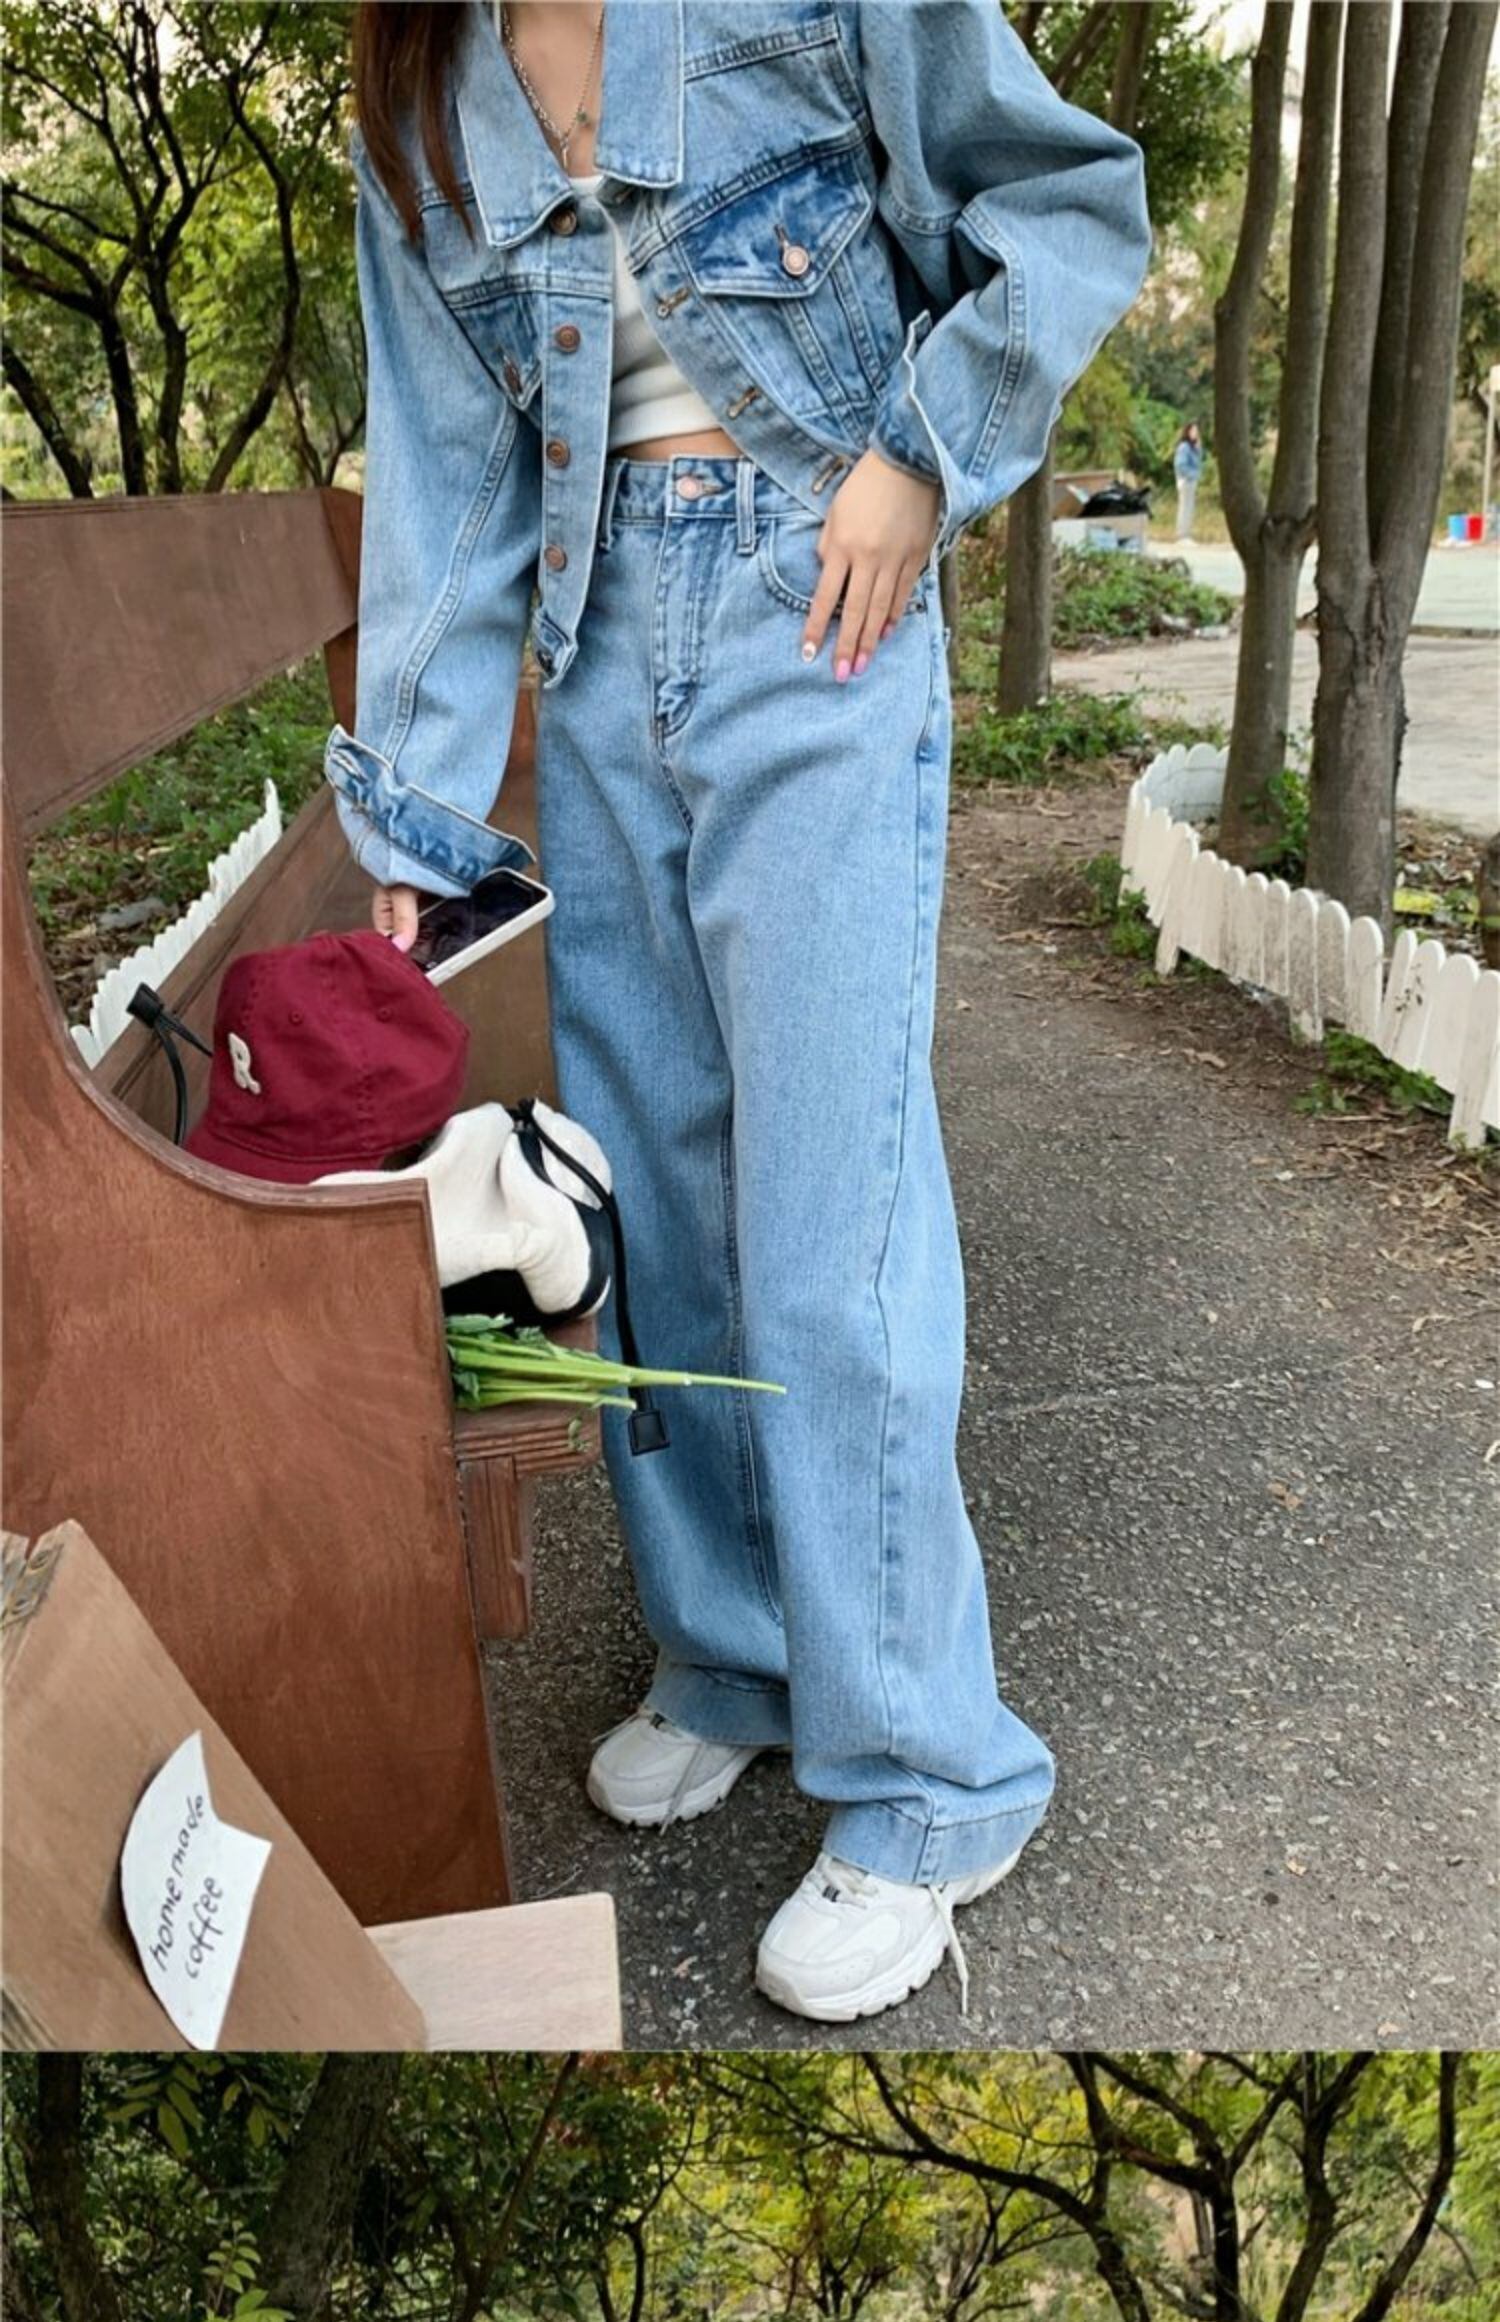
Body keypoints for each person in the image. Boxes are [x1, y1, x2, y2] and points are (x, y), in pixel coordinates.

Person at [332, 0, 1151, 2024]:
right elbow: (446, 464)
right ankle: (739, 1649)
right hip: (598, 646)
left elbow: (1064, 204)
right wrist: (417, 802)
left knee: (825, 1223)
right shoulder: (422, 90)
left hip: (819, 602)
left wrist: (919, 457)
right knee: (664, 1202)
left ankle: (935, 1778)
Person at [1174, 420, 1203, 540]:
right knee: (1185, 508)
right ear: (1187, 432)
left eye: (1196, 430)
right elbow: (1180, 465)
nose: (1195, 433)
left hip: (1191, 481)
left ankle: (1187, 533)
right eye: (1193, 430)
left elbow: (1198, 462)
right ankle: (1182, 534)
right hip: (1186, 480)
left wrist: (1198, 448)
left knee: (1189, 507)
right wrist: (1191, 475)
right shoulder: (1184, 447)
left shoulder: (1193, 447)